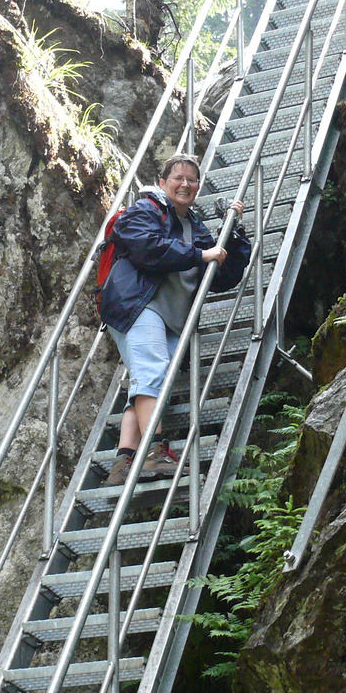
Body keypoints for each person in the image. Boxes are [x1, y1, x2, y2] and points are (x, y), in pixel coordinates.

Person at [98, 154, 252, 487]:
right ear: (164, 182)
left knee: (151, 382)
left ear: (198, 187)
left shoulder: (194, 227)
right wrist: (200, 255)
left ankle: (124, 460)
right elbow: (146, 248)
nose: (185, 184)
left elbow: (221, 277)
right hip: (139, 306)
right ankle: (155, 452)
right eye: (178, 177)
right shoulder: (144, 210)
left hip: (172, 320)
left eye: (192, 180)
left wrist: (234, 235)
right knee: (152, 373)